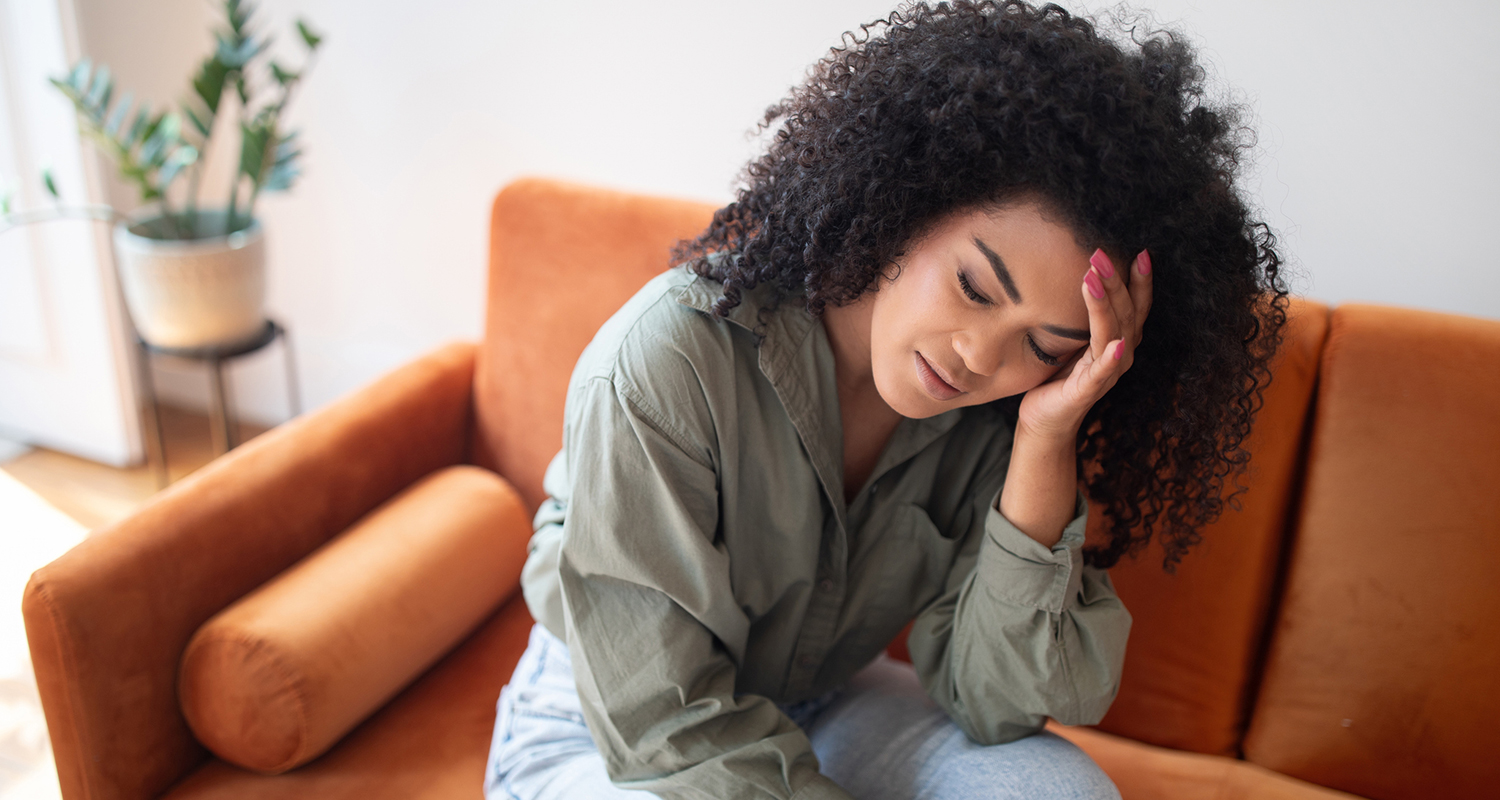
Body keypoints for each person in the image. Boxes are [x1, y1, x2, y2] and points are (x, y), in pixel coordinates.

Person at [485, 1, 1289, 798]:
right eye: (975, 287)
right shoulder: (666, 362)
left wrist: (1045, 441)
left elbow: (997, 707)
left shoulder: (1002, 422)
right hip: (607, 729)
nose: (980, 357)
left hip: (826, 699)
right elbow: (665, 724)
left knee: (1056, 790)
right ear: (911, 203)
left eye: (1044, 345)